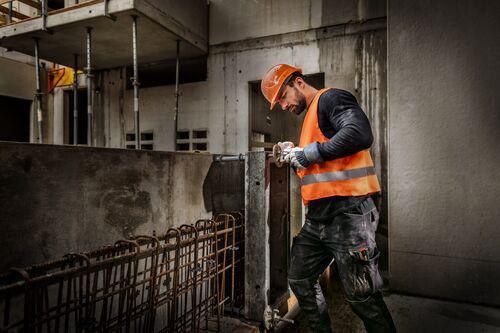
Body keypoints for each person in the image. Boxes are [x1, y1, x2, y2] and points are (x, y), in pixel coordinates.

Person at [261, 64, 396, 332]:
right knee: (299, 278)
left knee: (362, 297)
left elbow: (359, 133)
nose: (284, 106)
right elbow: (324, 164)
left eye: (283, 97)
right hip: (320, 218)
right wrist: (297, 156)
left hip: (349, 214)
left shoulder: (331, 98)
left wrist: (309, 154)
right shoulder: (312, 116)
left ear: (298, 83)